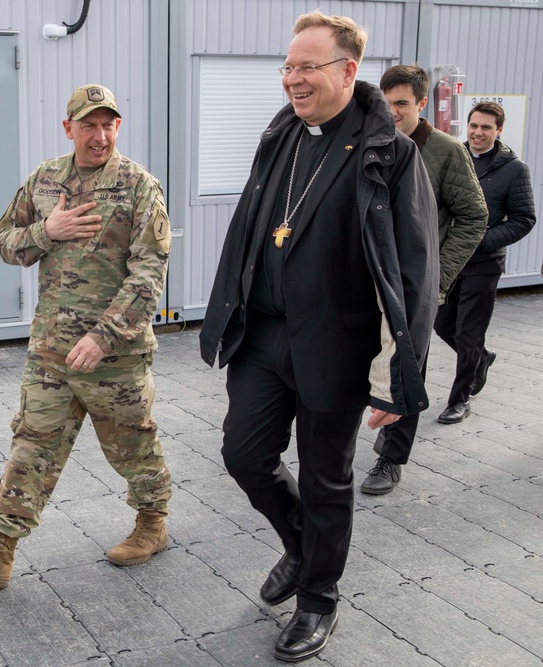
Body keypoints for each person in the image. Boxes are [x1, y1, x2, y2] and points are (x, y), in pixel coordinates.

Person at [198, 12, 438, 662]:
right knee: (244, 455)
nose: (293, 79)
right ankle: (304, 547)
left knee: (328, 478)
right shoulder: (280, 135)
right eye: (288, 67)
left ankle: (318, 598)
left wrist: (400, 376)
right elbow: (251, 229)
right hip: (265, 336)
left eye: (306, 67)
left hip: (337, 345)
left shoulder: (391, 150)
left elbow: (413, 271)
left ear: (346, 71)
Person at [0, 84, 173, 589]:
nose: (100, 135)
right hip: (50, 349)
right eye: (89, 124)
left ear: (118, 127)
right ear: (68, 128)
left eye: (108, 124)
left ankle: (151, 523)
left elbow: (149, 273)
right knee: (31, 445)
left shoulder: (139, 186)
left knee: (132, 447)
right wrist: (48, 231)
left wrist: (104, 336)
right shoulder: (45, 181)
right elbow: (5, 242)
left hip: (115, 355)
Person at [360, 65, 487, 495]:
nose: (393, 112)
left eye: (402, 104)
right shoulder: (367, 142)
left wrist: (438, 277)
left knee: (407, 370)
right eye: (388, 102)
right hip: (368, 284)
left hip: (414, 287)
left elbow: (474, 215)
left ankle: (390, 459)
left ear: (421, 103)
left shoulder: (447, 151)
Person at [433, 102, 537, 424]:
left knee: (468, 333)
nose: (478, 133)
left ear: (499, 130)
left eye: (486, 128)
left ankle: (459, 400)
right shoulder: (454, 156)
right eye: (474, 126)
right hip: (449, 260)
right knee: (441, 324)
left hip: (484, 263)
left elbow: (524, 219)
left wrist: (485, 240)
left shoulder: (514, 169)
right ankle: (482, 358)